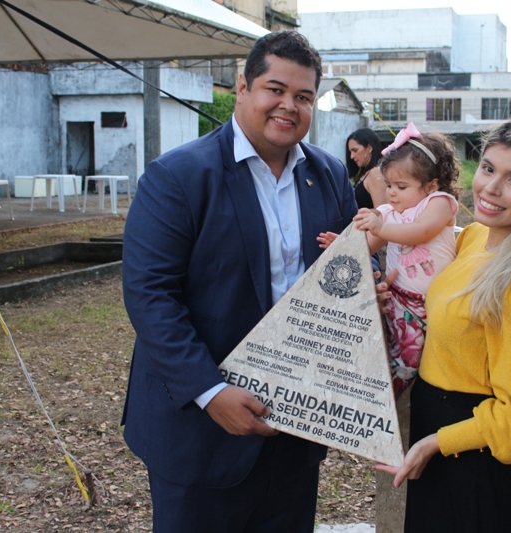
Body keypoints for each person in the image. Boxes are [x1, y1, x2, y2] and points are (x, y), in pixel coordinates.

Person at [121, 31, 365, 533]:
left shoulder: (329, 174)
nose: (288, 106)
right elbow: (150, 295)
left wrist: (370, 285)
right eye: (275, 89)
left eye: (303, 96)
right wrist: (209, 391)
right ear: (243, 86)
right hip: (200, 430)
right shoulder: (178, 176)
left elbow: (350, 266)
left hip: (295, 425)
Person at [377, 118, 511, 532]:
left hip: (478, 460)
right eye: (488, 168)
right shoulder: (475, 236)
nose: (491, 188)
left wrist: (438, 442)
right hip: (439, 436)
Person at [325, 123, 460, 395]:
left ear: (431, 186)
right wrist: (343, 246)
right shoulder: (389, 212)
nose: (392, 193)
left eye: (401, 186)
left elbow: (421, 231)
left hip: (431, 302)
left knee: (413, 362)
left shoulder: (439, 203)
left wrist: (381, 228)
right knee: (392, 352)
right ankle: (381, 397)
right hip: (396, 298)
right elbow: (368, 247)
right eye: (388, 185)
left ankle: (390, 399)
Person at [346, 128, 386, 209]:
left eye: (355, 150)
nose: (352, 156)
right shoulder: (367, 172)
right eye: (350, 152)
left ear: (369, 148)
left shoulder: (375, 173)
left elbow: (382, 211)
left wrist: (357, 214)